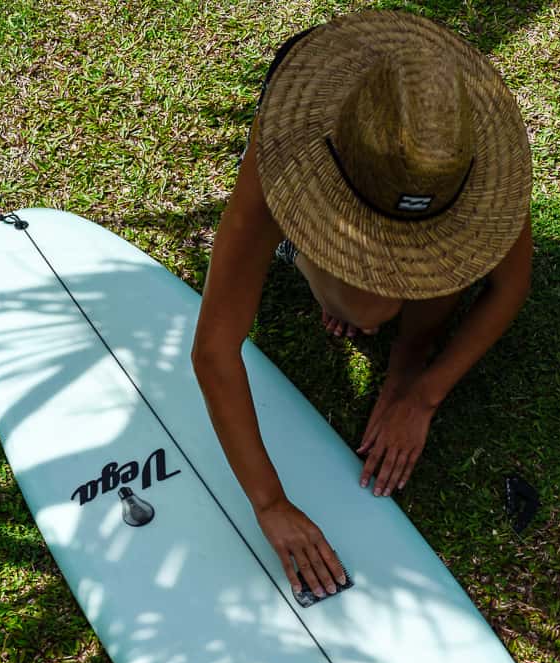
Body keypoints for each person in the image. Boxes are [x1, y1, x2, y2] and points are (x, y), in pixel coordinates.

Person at [192, 11, 532, 601]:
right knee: (368, 305)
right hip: (334, 152)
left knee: (433, 274)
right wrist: (270, 503)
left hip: (391, 168)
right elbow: (215, 351)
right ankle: (307, 259)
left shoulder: (458, 150)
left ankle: (403, 350)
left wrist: (420, 389)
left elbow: (508, 287)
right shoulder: (287, 156)